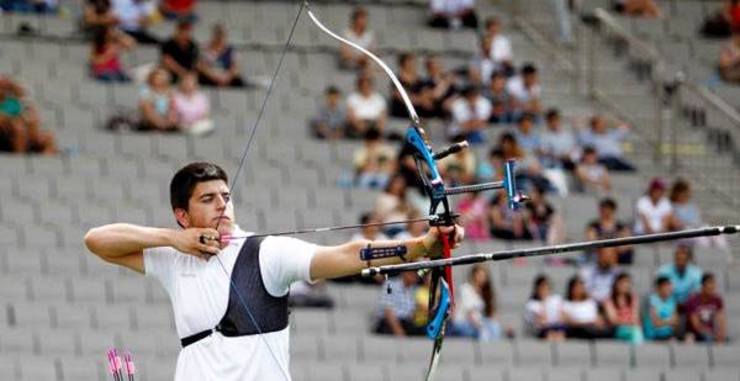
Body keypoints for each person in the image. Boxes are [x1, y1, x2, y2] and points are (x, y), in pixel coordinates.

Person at [84, 162, 464, 379]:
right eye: (208, 199)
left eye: (226, 197)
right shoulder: (173, 258)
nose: (222, 206)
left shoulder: (265, 253)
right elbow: (97, 240)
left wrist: (420, 246)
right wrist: (173, 239)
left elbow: (347, 255)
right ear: (182, 215)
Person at [0, 76, 56, 154]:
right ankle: (19, 160)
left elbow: (31, 116)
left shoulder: (14, 102)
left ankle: (45, 163)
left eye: (6, 88)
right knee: (18, 128)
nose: (3, 90)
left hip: (24, 135)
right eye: (1, 87)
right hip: (6, 136)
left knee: (48, 137)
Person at [669, 179, 728, 249]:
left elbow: (698, 221)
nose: (685, 195)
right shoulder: (671, 206)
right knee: (701, 239)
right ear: (677, 193)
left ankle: (721, 257)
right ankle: (704, 257)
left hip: (696, 228)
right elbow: (674, 223)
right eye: (683, 193)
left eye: (686, 193)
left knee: (717, 234)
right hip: (682, 233)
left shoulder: (691, 207)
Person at [451, 264, 504, 341]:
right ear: (474, 275)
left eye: (484, 276)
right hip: (463, 322)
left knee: (495, 326)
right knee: (482, 332)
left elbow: (489, 314)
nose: (482, 278)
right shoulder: (465, 288)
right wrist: (481, 327)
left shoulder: (484, 292)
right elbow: (470, 314)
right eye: (480, 275)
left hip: (477, 322)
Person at [375, 271, 426, 336]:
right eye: (413, 274)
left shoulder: (414, 289)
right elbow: (387, 310)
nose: (416, 277)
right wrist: (398, 330)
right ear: (405, 273)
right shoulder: (390, 284)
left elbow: (412, 312)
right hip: (389, 322)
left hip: (406, 322)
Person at [585, 198, 633, 264]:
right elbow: (591, 241)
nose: (606, 211)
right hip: (598, 255)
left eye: (608, 208)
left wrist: (612, 250)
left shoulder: (621, 227)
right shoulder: (594, 226)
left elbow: (627, 243)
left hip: (617, 256)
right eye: (603, 208)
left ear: (613, 210)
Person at [389, 53, 436, 119]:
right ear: (403, 63)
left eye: (413, 62)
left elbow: (427, 94)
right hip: (402, 115)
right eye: (409, 62)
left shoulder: (420, 81)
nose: (412, 64)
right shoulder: (397, 81)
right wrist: (421, 101)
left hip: (419, 115)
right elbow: (402, 97)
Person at [685, 273, 727, 343]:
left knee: (722, 340)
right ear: (702, 286)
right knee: (690, 339)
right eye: (709, 285)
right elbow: (696, 324)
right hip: (694, 333)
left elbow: (721, 318)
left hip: (711, 333)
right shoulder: (693, 300)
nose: (712, 287)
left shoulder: (717, 300)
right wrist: (710, 333)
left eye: (713, 285)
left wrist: (721, 332)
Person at [603, 273, 644, 344]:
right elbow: (613, 320)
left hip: (632, 328)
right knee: (635, 332)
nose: (626, 285)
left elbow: (635, 317)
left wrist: (631, 323)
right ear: (616, 284)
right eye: (623, 282)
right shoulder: (609, 300)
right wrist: (628, 323)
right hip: (617, 329)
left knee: (636, 331)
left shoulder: (633, 299)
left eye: (628, 282)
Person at [524, 275, 566, 341]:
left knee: (560, 335)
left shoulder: (556, 299)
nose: (545, 288)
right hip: (541, 330)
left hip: (557, 327)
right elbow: (541, 321)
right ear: (537, 288)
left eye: (547, 286)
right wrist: (544, 301)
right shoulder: (532, 304)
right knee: (549, 335)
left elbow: (562, 318)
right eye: (542, 286)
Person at [138, 67, 179, 131]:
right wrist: (160, 122)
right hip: (150, 121)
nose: (160, 79)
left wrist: (169, 120)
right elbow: (146, 108)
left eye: (162, 78)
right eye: (158, 77)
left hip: (166, 119)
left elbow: (172, 107)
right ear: (152, 78)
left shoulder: (170, 91)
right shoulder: (146, 90)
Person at [643, 276, 680, 341]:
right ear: (659, 288)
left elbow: (676, 322)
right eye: (666, 286)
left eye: (669, 286)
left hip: (668, 335)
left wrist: (664, 322)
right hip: (653, 336)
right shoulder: (651, 300)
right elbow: (656, 323)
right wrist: (669, 321)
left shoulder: (672, 301)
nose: (669, 288)